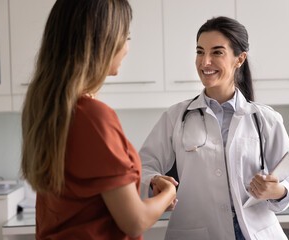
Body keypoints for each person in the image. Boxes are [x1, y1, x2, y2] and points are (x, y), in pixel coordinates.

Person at [20, 0, 177, 239]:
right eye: (126, 37)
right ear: (102, 42)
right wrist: (166, 193)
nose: (126, 47)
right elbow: (134, 222)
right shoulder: (93, 116)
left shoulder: (47, 108)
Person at [139, 16, 289, 240]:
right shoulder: (176, 117)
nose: (205, 62)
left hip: (256, 233)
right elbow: (142, 169)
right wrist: (154, 181)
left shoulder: (265, 118)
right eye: (200, 52)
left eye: (217, 52)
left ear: (239, 59)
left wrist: (277, 191)